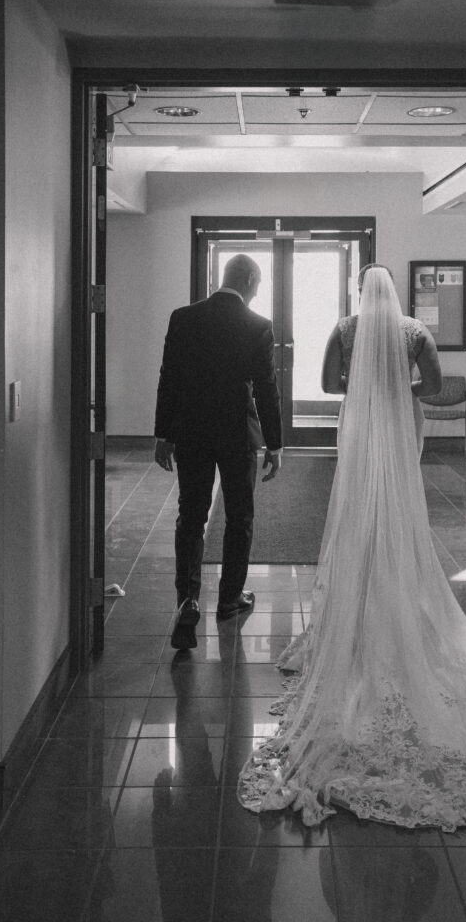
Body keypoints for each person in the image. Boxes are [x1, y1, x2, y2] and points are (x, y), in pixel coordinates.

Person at [238, 263, 466, 831]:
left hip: (362, 417)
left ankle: (361, 589)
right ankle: (400, 590)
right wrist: (396, 385)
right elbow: (431, 388)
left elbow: (330, 385)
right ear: (395, 292)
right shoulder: (414, 331)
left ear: (361, 291)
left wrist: (366, 383)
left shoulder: (346, 328)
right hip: (399, 418)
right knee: (400, 502)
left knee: (360, 499)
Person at [154, 253, 283, 649]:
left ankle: (188, 600)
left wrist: (163, 434)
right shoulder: (257, 325)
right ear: (250, 281)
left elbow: (169, 377)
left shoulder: (183, 318)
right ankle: (230, 599)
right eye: (258, 284)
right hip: (236, 435)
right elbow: (266, 388)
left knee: (191, 514)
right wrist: (275, 443)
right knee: (239, 516)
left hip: (191, 431)